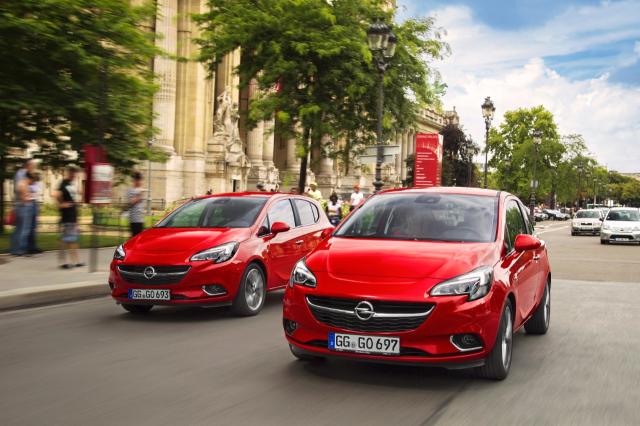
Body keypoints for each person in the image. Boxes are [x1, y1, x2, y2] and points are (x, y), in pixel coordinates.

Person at [57, 166, 83, 269]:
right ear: (68, 173)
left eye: (75, 173)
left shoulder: (72, 184)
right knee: (66, 240)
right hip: (66, 216)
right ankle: (64, 262)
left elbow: (74, 199)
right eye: (72, 173)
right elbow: (56, 195)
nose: (74, 175)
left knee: (73, 239)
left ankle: (75, 261)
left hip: (73, 215)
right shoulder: (63, 184)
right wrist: (61, 204)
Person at [10, 159, 36, 255]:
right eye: (32, 165)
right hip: (24, 206)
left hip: (20, 205)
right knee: (24, 229)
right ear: (27, 165)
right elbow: (22, 191)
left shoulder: (20, 174)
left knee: (19, 228)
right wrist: (27, 198)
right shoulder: (22, 174)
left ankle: (15, 249)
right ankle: (20, 250)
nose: (33, 167)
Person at [26, 172, 43, 254]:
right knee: (29, 227)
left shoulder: (36, 184)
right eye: (34, 178)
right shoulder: (28, 184)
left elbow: (37, 195)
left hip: (35, 204)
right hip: (30, 204)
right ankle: (29, 248)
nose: (35, 180)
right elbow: (28, 195)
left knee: (34, 227)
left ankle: (33, 247)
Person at [127, 172, 146, 237]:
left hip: (141, 219)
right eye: (138, 180)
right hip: (134, 219)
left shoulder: (141, 190)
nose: (140, 182)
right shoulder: (131, 190)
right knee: (134, 238)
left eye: (141, 180)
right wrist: (139, 195)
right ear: (135, 180)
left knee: (139, 238)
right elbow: (131, 202)